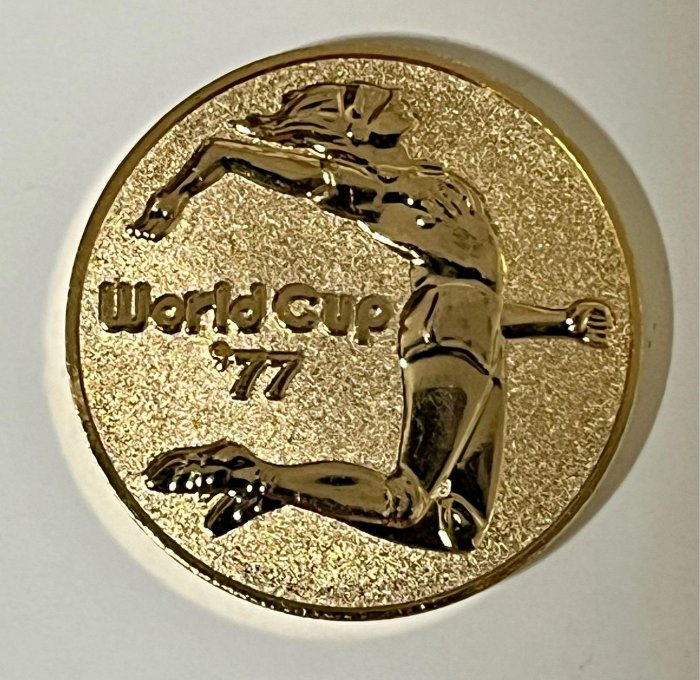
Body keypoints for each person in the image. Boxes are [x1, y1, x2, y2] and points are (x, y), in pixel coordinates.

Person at [134, 81, 612, 552]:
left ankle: (287, 489)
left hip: (479, 333)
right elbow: (224, 151)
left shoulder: (436, 178)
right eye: (357, 99)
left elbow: (482, 301)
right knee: (404, 500)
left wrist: (561, 322)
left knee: (459, 527)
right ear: (355, 129)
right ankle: (248, 471)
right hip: (447, 326)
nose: (389, 94)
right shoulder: (366, 185)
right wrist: (174, 195)